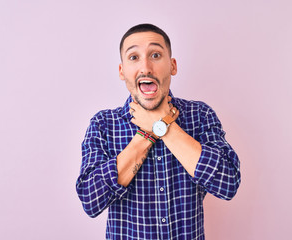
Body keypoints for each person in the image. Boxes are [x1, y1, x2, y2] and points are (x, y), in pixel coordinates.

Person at [76, 23, 241, 240]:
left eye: (155, 55)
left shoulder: (200, 115)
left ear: (172, 65)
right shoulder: (103, 124)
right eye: (134, 57)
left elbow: (228, 183)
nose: (145, 68)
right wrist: (146, 134)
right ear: (122, 70)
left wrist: (164, 126)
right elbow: (90, 200)